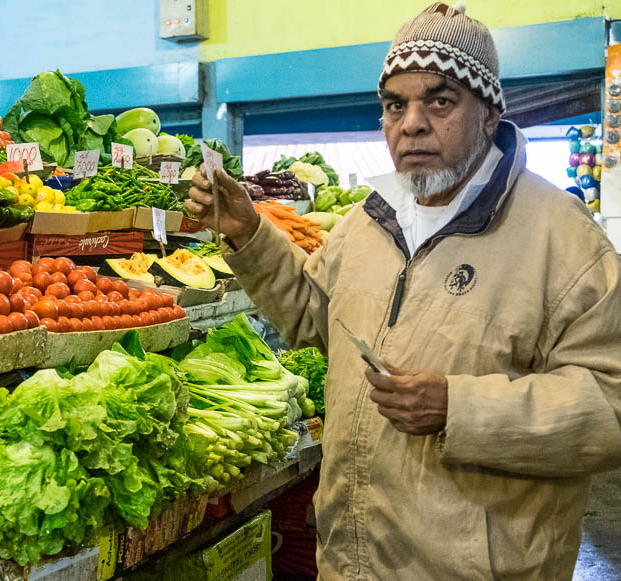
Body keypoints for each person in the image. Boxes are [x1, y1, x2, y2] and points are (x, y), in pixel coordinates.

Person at [187, 3, 621, 579]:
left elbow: (609, 407)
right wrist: (249, 233)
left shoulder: (563, 240)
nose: (411, 123)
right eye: (395, 105)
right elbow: (314, 316)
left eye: (439, 101)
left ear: (490, 113)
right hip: (351, 560)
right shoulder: (370, 220)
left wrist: (457, 408)